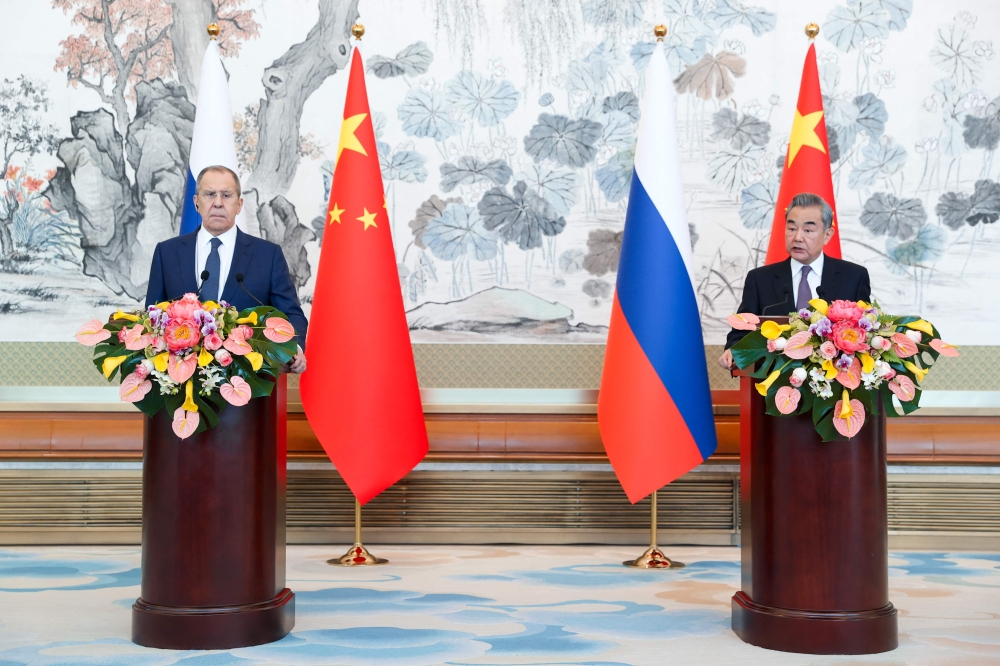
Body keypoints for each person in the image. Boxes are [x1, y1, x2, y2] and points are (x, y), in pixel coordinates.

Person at [145, 165, 308, 373]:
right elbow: (152, 316)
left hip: (249, 380)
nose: (218, 203)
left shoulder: (267, 255)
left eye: (227, 195)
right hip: (180, 381)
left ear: (239, 204)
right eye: (210, 194)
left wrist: (293, 349)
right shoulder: (167, 253)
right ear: (196, 202)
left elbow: (291, 314)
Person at [719, 192, 870, 370]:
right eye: (791, 229)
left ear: (827, 235)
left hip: (835, 381)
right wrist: (733, 350)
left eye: (808, 230)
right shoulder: (760, 279)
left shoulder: (853, 277)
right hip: (775, 379)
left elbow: (865, 332)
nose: (797, 237)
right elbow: (741, 331)